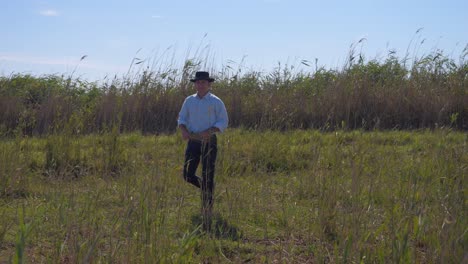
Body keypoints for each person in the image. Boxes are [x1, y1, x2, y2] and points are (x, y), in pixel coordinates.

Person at [177, 71, 229, 231]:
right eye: (198, 82)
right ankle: (208, 187)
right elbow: (181, 119)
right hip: (192, 141)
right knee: (187, 174)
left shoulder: (216, 102)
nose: (200, 85)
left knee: (207, 174)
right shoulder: (189, 101)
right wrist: (184, 131)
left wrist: (211, 130)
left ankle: (207, 210)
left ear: (209, 84)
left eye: (203, 82)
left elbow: (223, 121)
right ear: (195, 84)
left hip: (209, 142)